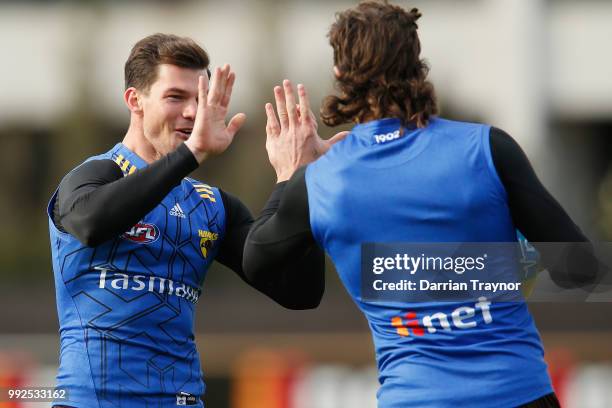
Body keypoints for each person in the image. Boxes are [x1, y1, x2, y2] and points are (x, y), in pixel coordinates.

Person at [244, 1, 602, 407]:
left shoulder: (321, 183)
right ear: (417, 64)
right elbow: (580, 270)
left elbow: (257, 261)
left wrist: (291, 173)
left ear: (340, 75)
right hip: (517, 394)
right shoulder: (485, 149)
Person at [47, 33, 325, 408]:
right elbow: (91, 222)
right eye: (176, 97)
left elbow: (299, 292)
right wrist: (192, 152)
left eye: (201, 99)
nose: (194, 113)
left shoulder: (210, 205)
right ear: (135, 101)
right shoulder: (94, 176)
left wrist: (299, 181)